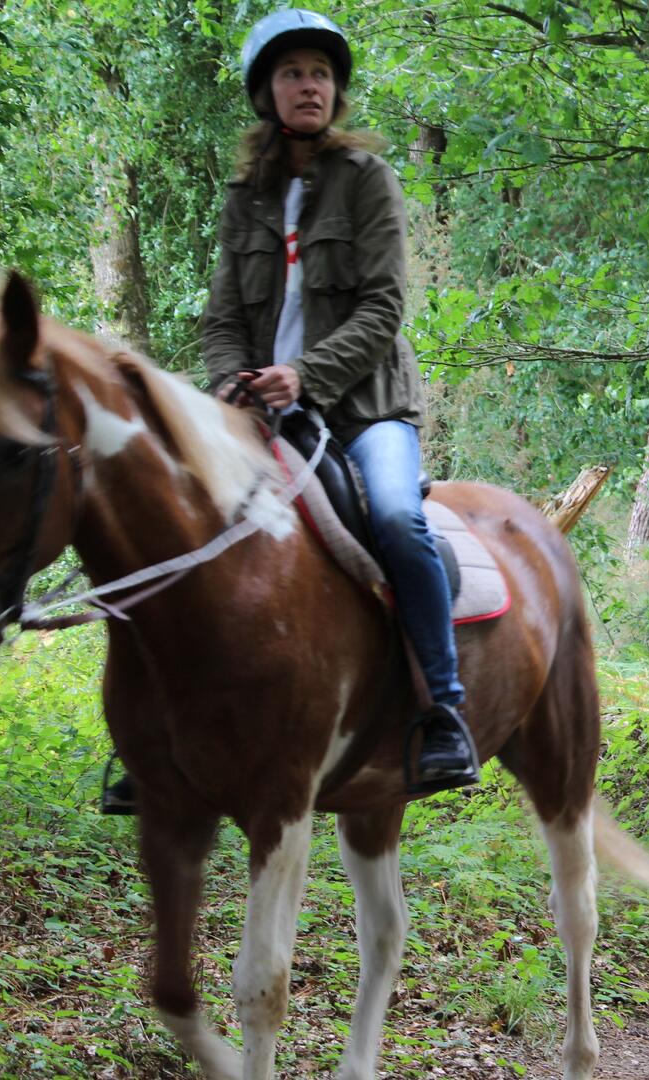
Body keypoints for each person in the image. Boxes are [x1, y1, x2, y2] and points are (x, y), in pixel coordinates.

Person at [105, 9, 478, 813]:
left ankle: (443, 712)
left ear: (335, 90)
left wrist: (302, 376)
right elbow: (220, 321)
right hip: (259, 411)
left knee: (397, 520)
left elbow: (382, 310)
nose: (307, 84)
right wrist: (230, 381)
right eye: (290, 72)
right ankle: (155, 737)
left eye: (319, 71)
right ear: (266, 93)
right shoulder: (247, 197)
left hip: (365, 406)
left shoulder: (369, 181)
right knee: (172, 516)